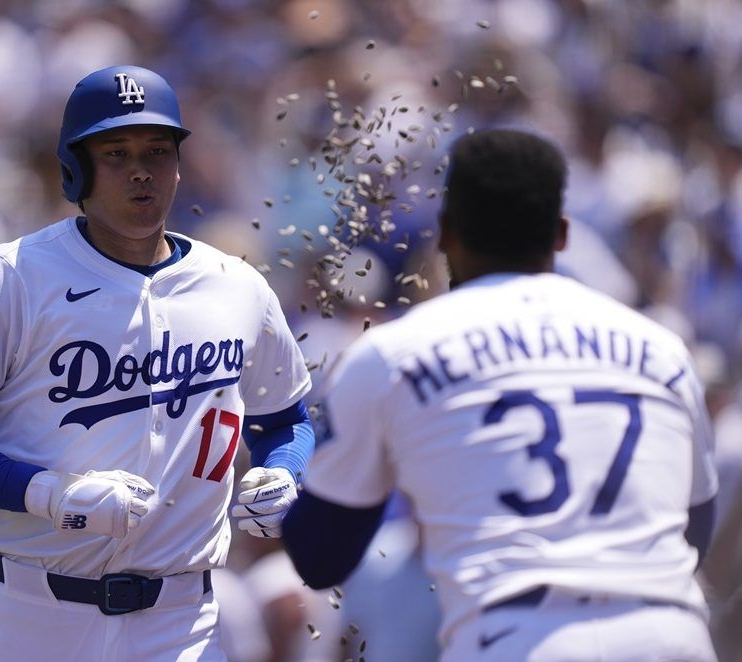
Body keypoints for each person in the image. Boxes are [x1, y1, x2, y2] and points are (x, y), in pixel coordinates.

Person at [0, 65, 314, 662]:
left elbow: (286, 417)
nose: (141, 170)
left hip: (183, 622)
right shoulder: (9, 279)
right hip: (31, 618)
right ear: (75, 169)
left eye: (158, 151)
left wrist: (285, 470)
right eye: (116, 152)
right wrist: (50, 495)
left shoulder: (236, 286)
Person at [282, 129, 719, 661]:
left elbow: (320, 558)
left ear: (444, 232)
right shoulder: (661, 347)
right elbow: (694, 531)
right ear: (560, 234)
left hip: (519, 635)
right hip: (671, 633)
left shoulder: (394, 352)